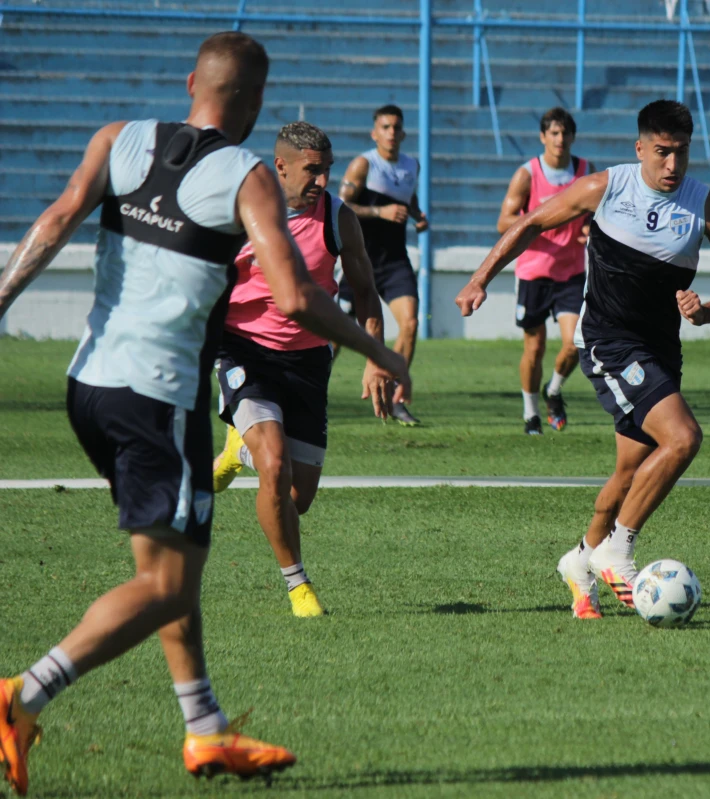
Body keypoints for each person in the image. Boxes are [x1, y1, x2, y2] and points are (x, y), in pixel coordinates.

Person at [0, 33, 409, 795]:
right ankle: (21, 695)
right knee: (169, 587)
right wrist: (378, 351)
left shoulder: (118, 138)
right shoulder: (246, 173)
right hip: (160, 397)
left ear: (192, 82)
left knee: (170, 566)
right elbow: (295, 295)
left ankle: (206, 731)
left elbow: (55, 220)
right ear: (254, 105)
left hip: (88, 383)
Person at [457, 100, 710, 620]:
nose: (671, 164)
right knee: (683, 437)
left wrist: (707, 311)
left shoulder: (708, 207)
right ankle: (618, 549)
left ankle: (579, 562)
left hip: (660, 349)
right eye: (661, 152)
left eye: (681, 153)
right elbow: (531, 224)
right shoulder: (607, 188)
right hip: (608, 341)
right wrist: (481, 277)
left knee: (629, 472)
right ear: (639, 148)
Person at [210, 121, 408, 618]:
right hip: (245, 351)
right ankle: (299, 588)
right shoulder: (241, 213)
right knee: (274, 465)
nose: (321, 180)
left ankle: (240, 450)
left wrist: (373, 361)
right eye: (311, 170)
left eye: (326, 170)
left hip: (308, 361)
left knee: (296, 498)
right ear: (280, 167)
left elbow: (365, 291)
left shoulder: (338, 218)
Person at [495, 107, 590, 435]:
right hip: (534, 271)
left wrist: (590, 226)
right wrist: (539, 223)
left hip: (572, 272)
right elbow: (503, 221)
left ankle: (554, 390)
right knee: (534, 348)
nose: (560, 139)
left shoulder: (586, 172)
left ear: (573, 137)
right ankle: (531, 415)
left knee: (577, 341)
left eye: (565, 133)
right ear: (543, 137)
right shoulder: (528, 174)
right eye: (554, 133)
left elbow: (598, 212)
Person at [338, 104, 428, 426]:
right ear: (374, 133)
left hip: (394, 262)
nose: (391, 133)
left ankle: (396, 398)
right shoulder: (364, 164)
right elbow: (343, 205)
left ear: (403, 133)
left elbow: (408, 199)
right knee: (334, 336)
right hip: (358, 259)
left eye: (396, 128)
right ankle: (313, 393)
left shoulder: (411, 165)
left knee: (411, 324)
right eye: (385, 127)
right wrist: (380, 212)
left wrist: (417, 216)